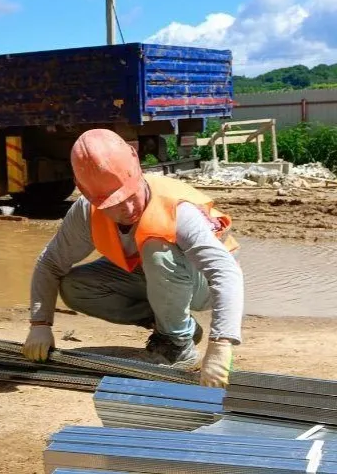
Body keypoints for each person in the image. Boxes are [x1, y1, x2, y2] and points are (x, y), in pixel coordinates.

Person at [21, 128, 244, 388]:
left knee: (157, 249)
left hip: (199, 282)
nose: (126, 209)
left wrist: (221, 344)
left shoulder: (177, 208)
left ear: (137, 165)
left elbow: (224, 271)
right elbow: (50, 263)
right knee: (74, 286)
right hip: (152, 276)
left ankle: (177, 345)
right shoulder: (85, 212)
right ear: (86, 193)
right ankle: (175, 326)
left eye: (129, 194)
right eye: (111, 203)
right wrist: (40, 324)